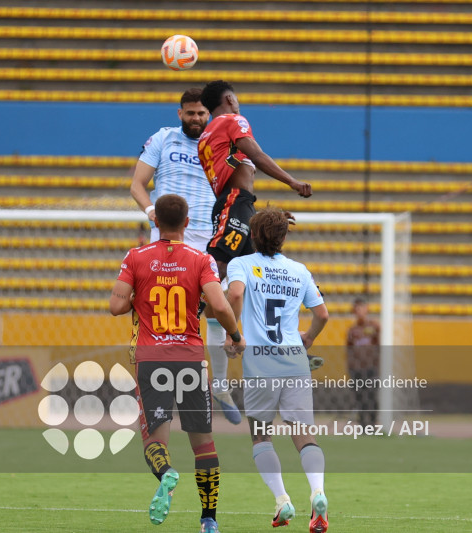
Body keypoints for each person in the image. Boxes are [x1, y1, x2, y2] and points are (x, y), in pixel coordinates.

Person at [109, 194, 245, 533]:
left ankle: (167, 472)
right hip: (190, 361)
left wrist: (138, 297)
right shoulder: (201, 260)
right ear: (187, 223)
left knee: (155, 441)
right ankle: (209, 519)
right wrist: (235, 335)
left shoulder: (135, 257)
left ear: (156, 221)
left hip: (151, 360)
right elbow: (221, 305)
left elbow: (116, 306)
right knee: (204, 443)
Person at [130, 87, 241, 424]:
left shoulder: (221, 143)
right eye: (190, 113)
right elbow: (137, 184)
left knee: (215, 310)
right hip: (167, 235)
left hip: (209, 236)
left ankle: (219, 386)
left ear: (210, 114)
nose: (196, 119)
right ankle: (154, 388)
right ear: (180, 113)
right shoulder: (163, 139)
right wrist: (150, 210)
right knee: (162, 313)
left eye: (201, 113)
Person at [225, 207, 330, 532]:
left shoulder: (241, 264)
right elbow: (322, 314)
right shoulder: (299, 270)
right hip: (295, 359)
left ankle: (282, 499)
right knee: (305, 435)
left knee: (260, 435)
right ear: (283, 238)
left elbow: (236, 293)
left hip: (260, 362)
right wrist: (308, 338)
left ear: (253, 235)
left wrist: (233, 334)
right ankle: (318, 492)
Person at [197, 79, 313, 284]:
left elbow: (230, 169)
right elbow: (257, 156)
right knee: (219, 264)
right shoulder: (233, 120)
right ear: (230, 99)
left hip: (236, 202)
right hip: (235, 201)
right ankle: (191, 304)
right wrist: (292, 182)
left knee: (251, 275)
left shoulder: (205, 137)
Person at [346, 297, 380, 427]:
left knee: (371, 395)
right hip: (357, 369)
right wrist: (350, 367)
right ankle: (363, 424)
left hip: (371, 367)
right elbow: (349, 350)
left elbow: (380, 345)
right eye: (356, 308)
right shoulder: (352, 330)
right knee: (359, 396)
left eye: (361, 308)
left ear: (366, 309)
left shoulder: (374, 327)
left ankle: (372, 423)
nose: (359, 311)